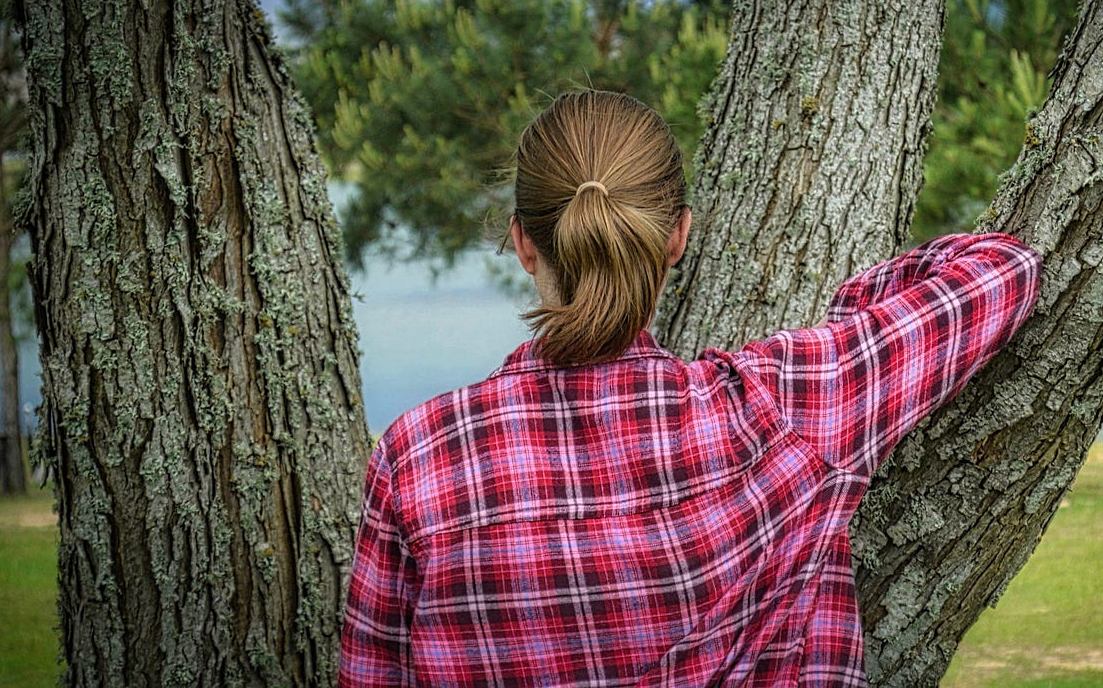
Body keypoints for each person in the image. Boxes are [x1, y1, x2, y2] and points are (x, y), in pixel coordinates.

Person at [339, 90, 1041, 686]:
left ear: (523, 243)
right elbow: (1003, 269)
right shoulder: (785, 406)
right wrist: (852, 310)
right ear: (677, 236)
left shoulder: (417, 459)